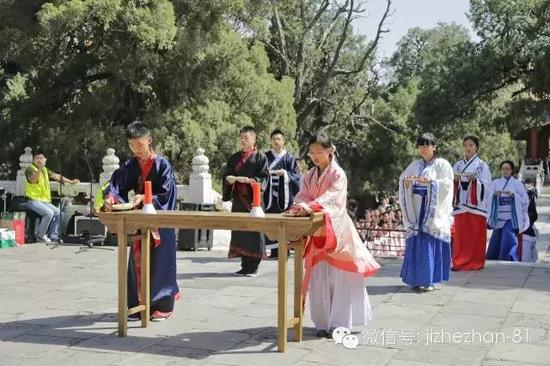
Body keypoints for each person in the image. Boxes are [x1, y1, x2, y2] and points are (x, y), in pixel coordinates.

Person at [284, 133, 380, 338]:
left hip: (337, 231)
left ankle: (340, 323)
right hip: (317, 229)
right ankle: (322, 322)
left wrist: (308, 207)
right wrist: (299, 206)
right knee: (319, 277)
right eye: (312, 153)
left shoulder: (338, 174)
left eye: (319, 152)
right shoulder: (309, 175)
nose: (315, 156)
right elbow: (303, 195)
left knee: (340, 276)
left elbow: (332, 199)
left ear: (330, 151)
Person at [103, 121, 179, 321]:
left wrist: (147, 198)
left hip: (160, 222)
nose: (135, 149)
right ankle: (136, 305)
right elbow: (117, 184)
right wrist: (111, 197)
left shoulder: (163, 164)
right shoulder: (131, 165)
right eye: (131, 145)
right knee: (137, 263)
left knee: (161, 263)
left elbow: (167, 192)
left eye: (139, 145)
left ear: (149, 141)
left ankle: (162, 306)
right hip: (139, 222)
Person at [399, 133, 453, 292]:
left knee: (428, 243)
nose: (423, 149)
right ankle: (414, 279)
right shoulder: (415, 165)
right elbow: (403, 179)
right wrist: (407, 182)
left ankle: (428, 280)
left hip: (432, 209)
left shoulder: (442, 164)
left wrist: (432, 183)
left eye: (426, 145)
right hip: (416, 207)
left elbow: (448, 184)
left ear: (434, 147)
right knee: (415, 242)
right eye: (420, 146)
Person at [222, 126, 269, 276]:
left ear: (254, 139)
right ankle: (244, 265)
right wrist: (229, 180)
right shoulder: (234, 158)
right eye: (241, 137)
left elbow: (264, 178)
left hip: (253, 201)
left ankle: (253, 266)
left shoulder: (261, 157)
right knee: (240, 232)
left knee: (254, 233)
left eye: (246, 137)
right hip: (239, 201)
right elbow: (228, 174)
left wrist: (251, 181)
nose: (243, 140)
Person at [451, 135, 493, 271]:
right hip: (461, 205)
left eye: (471, 145)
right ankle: (458, 262)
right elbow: (449, 182)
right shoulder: (457, 165)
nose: (468, 148)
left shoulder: (482, 166)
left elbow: (487, 185)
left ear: (477, 148)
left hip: (476, 206)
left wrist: (475, 181)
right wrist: (454, 179)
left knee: (475, 236)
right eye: (466, 145)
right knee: (460, 236)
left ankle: (476, 262)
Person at [23, 149, 80, 243]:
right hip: (32, 200)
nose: (39, 160)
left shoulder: (45, 170)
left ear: (45, 159)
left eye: (41, 158)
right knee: (49, 213)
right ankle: (40, 235)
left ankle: (53, 236)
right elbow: (33, 180)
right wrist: (40, 168)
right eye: (37, 158)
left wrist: (71, 181)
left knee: (59, 213)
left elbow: (57, 176)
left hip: (43, 201)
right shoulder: (30, 169)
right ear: (33, 160)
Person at [263, 129, 300, 259]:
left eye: (279, 139)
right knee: (271, 222)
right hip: (269, 196)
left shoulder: (290, 158)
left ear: (283, 141)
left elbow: (296, 177)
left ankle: (285, 250)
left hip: (285, 195)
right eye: (274, 139)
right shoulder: (266, 156)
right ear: (271, 141)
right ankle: (273, 251)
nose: (276, 141)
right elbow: (261, 173)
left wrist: (284, 173)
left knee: (284, 222)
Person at [486, 160, 530, 261]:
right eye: (503, 169)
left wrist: (514, 196)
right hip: (499, 215)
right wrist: (494, 195)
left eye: (508, 169)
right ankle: (493, 257)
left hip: (512, 216)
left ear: (512, 170)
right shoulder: (495, 183)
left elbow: (525, 200)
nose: (505, 171)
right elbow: (487, 197)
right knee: (496, 238)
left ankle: (509, 258)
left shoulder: (518, 184)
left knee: (508, 234)